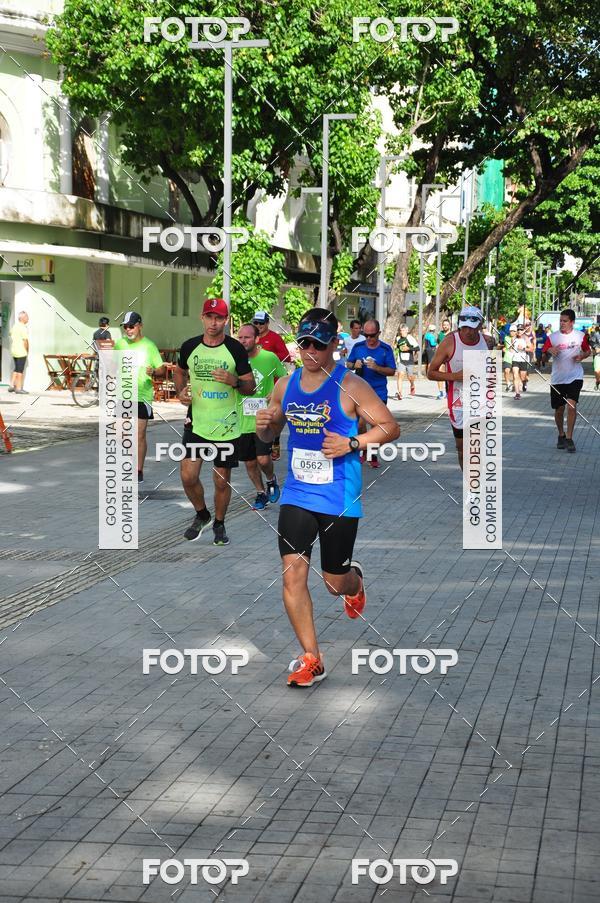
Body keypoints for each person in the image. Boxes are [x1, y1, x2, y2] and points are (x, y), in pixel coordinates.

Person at [255, 308, 400, 688]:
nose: (310, 352)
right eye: (304, 344)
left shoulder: (350, 385)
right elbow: (270, 440)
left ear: (335, 344)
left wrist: (354, 441)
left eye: (319, 344)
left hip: (339, 496)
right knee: (292, 575)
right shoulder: (285, 386)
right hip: (297, 494)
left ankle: (355, 583)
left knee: (333, 583)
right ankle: (311, 659)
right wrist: (267, 429)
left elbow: (390, 426)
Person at [174, 298, 256, 545]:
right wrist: (180, 392)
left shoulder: (235, 349)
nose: (213, 322)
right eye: (209, 316)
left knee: (221, 480)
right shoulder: (189, 347)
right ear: (202, 317)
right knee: (188, 476)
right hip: (197, 423)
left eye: (219, 317)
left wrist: (235, 381)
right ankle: (202, 514)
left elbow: (250, 387)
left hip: (226, 426)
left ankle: (219, 524)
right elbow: (179, 370)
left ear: (226, 320)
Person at [426, 306, 489, 469]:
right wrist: (455, 376)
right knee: (462, 449)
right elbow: (430, 373)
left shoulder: (487, 342)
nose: (467, 332)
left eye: (472, 327)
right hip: (457, 403)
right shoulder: (449, 342)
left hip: (480, 402)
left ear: (480, 325)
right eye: (464, 327)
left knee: (475, 447)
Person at [236, 323, 286, 509]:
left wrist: (274, 394)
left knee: (263, 459)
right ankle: (260, 493)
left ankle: (271, 480)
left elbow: (283, 377)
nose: (242, 341)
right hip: (242, 420)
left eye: (246, 337)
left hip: (263, 419)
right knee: (249, 463)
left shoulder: (269, 358)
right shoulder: (235, 359)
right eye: (240, 337)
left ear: (256, 339)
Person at [114, 311, 166, 482]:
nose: (128, 330)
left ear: (140, 326)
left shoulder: (149, 345)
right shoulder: (120, 344)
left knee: (139, 434)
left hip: (143, 396)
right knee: (121, 433)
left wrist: (154, 371)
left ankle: (138, 471)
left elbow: (162, 369)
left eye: (131, 326)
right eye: (125, 327)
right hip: (124, 394)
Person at [346, 319, 396, 468]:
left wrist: (377, 368)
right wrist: (354, 365)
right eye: (365, 335)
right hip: (360, 392)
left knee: (377, 426)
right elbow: (348, 363)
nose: (368, 339)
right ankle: (365, 450)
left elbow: (392, 371)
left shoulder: (386, 349)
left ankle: (372, 455)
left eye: (372, 335)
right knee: (361, 424)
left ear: (378, 333)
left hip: (378, 392)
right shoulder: (358, 346)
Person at [542, 308, 591, 453]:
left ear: (572, 322)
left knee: (571, 406)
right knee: (559, 410)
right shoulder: (553, 337)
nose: (562, 323)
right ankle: (561, 434)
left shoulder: (580, 336)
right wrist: (549, 351)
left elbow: (588, 351)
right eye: (560, 321)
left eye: (565, 321)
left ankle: (569, 438)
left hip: (575, 376)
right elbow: (543, 359)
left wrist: (582, 357)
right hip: (558, 379)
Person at [252, 310, 291, 462]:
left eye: (261, 323)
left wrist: (269, 355)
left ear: (267, 323)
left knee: (272, 416)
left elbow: (286, 356)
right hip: (255, 384)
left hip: (272, 385)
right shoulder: (251, 338)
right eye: (256, 323)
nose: (258, 326)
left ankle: (274, 443)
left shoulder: (274, 337)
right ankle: (255, 444)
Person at [394, 325, 418, 399]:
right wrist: (395, 348)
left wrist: (409, 348)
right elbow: (396, 347)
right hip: (401, 360)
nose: (402, 332)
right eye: (401, 330)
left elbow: (417, 348)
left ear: (407, 331)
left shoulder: (410, 338)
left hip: (409, 360)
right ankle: (400, 393)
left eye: (404, 330)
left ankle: (412, 384)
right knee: (400, 375)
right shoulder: (398, 338)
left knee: (410, 377)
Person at [8, 311, 29, 394]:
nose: (28, 318)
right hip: (21, 351)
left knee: (16, 368)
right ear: (23, 318)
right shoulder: (23, 327)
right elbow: (25, 341)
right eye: (27, 317)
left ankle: (11, 386)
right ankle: (19, 388)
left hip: (14, 350)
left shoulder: (15, 326)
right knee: (20, 370)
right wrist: (27, 350)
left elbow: (10, 334)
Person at [511, 324, 533, 399]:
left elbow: (531, 349)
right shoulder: (513, 338)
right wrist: (510, 349)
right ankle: (517, 394)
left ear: (524, 331)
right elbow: (511, 348)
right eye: (518, 330)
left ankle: (524, 383)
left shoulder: (526, 339)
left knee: (523, 377)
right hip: (515, 359)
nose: (519, 331)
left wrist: (523, 348)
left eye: (521, 330)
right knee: (515, 375)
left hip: (523, 359)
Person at [424, 323, 444, 399]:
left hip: (427, 350)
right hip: (432, 350)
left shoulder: (426, 335)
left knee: (428, 362)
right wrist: (437, 343)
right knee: (431, 362)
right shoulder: (431, 336)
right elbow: (433, 343)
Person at [501, 325, 517, 392]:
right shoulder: (506, 338)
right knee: (506, 371)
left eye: (513, 331)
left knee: (514, 372)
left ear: (516, 332)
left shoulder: (518, 338)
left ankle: (514, 385)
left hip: (515, 357)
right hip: (507, 356)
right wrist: (504, 348)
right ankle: (508, 384)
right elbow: (505, 346)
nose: (512, 332)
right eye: (510, 331)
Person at [589, 325, 600, 390]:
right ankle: (598, 381)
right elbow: (591, 342)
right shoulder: (596, 334)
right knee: (596, 371)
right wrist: (595, 347)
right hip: (597, 355)